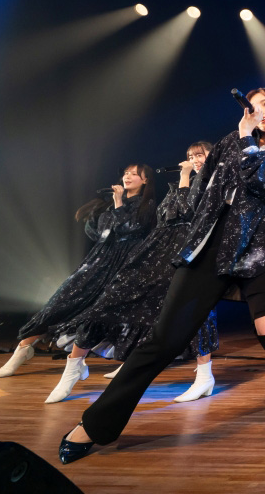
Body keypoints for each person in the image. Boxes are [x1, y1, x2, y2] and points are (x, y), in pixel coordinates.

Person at [58, 88, 265, 464]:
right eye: (253, 105)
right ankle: (95, 425)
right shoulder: (232, 141)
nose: (259, 111)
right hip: (209, 250)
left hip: (262, 252)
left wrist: (246, 139)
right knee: (161, 341)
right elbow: (202, 192)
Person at [46, 142, 221, 404]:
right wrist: (182, 183)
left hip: (189, 252)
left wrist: (185, 177)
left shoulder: (216, 183)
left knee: (195, 309)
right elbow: (166, 217)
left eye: (200, 155)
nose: (194, 160)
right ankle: (74, 366)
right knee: (110, 299)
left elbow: (187, 212)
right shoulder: (177, 186)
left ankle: (205, 376)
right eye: (190, 156)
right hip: (157, 250)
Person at [0, 165, 155, 378]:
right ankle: (22, 351)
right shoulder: (110, 204)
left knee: (112, 314)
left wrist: (118, 203)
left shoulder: (147, 205)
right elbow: (99, 234)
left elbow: (127, 229)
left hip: (124, 264)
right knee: (59, 303)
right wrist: (95, 215)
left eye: (134, 174)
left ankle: (122, 362)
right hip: (98, 262)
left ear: (145, 180)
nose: (127, 176)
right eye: (126, 173)